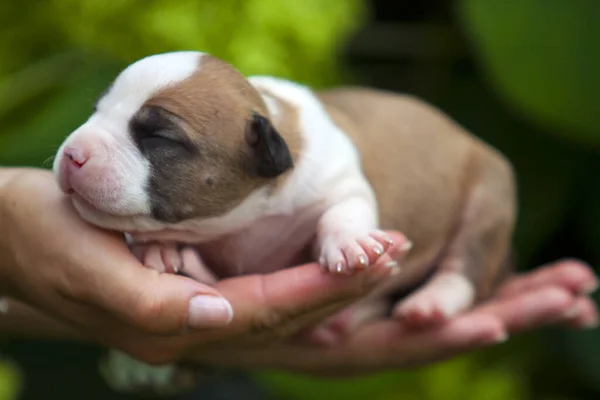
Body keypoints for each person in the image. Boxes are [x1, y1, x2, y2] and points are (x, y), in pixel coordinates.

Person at [0, 167, 597, 375]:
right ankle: (360, 302)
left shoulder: (309, 173)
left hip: (423, 221)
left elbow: (347, 204)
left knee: (375, 241)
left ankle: (455, 279)